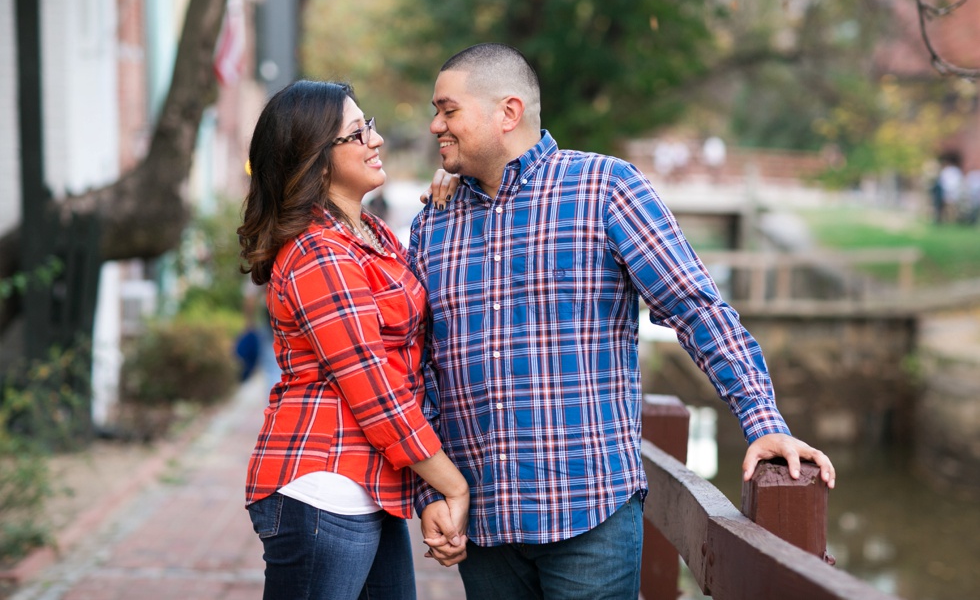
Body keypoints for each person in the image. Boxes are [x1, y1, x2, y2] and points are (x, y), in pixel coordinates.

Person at [409, 44, 836, 599]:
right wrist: (431, 494)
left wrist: (763, 421)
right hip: (484, 528)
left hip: (590, 518)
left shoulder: (605, 189)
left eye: (448, 109)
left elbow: (696, 308)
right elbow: (418, 370)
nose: (435, 124)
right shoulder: (432, 224)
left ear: (507, 113)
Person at [237, 79, 468, 600]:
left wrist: (445, 206)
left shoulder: (373, 235)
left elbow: (414, 335)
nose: (376, 140)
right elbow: (374, 387)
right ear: (317, 160)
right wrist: (451, 485)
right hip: (323, 490)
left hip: (371, 488)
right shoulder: (318, 252)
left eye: (372, 127)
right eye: (358, 132)